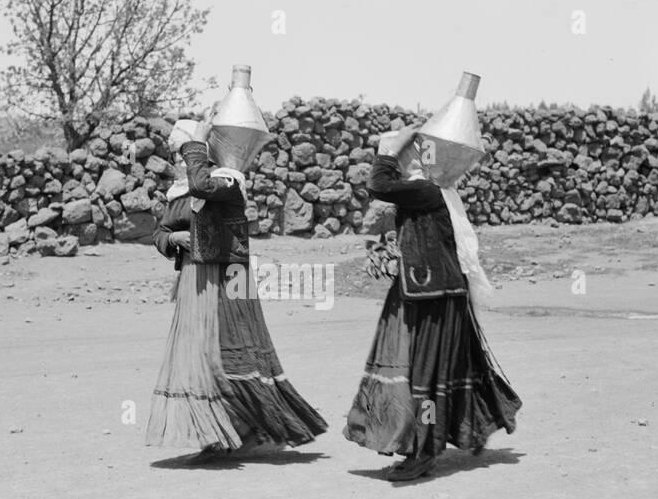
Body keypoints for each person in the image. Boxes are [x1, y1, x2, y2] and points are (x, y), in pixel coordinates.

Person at [343, 126, 521, 480]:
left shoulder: (426, 188)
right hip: (431, 291)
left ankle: (423, 452)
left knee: (424, 375)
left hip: (434, 296)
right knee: (435, 370)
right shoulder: (430, 190)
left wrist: (387, 150)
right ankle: (448, 436)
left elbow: (379, 185)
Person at [146, 120, 328, 461]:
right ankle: (218, 433)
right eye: (180, 153)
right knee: (201, 353)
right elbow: (161, 231)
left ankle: (250, 429)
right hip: (194, 278)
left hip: (231, 275)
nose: (179, 159)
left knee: (233, 350)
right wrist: (172, 239)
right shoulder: (178, 193)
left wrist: (196, 144)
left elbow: (201, 184)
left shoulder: (227, 181)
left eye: (184, 151)